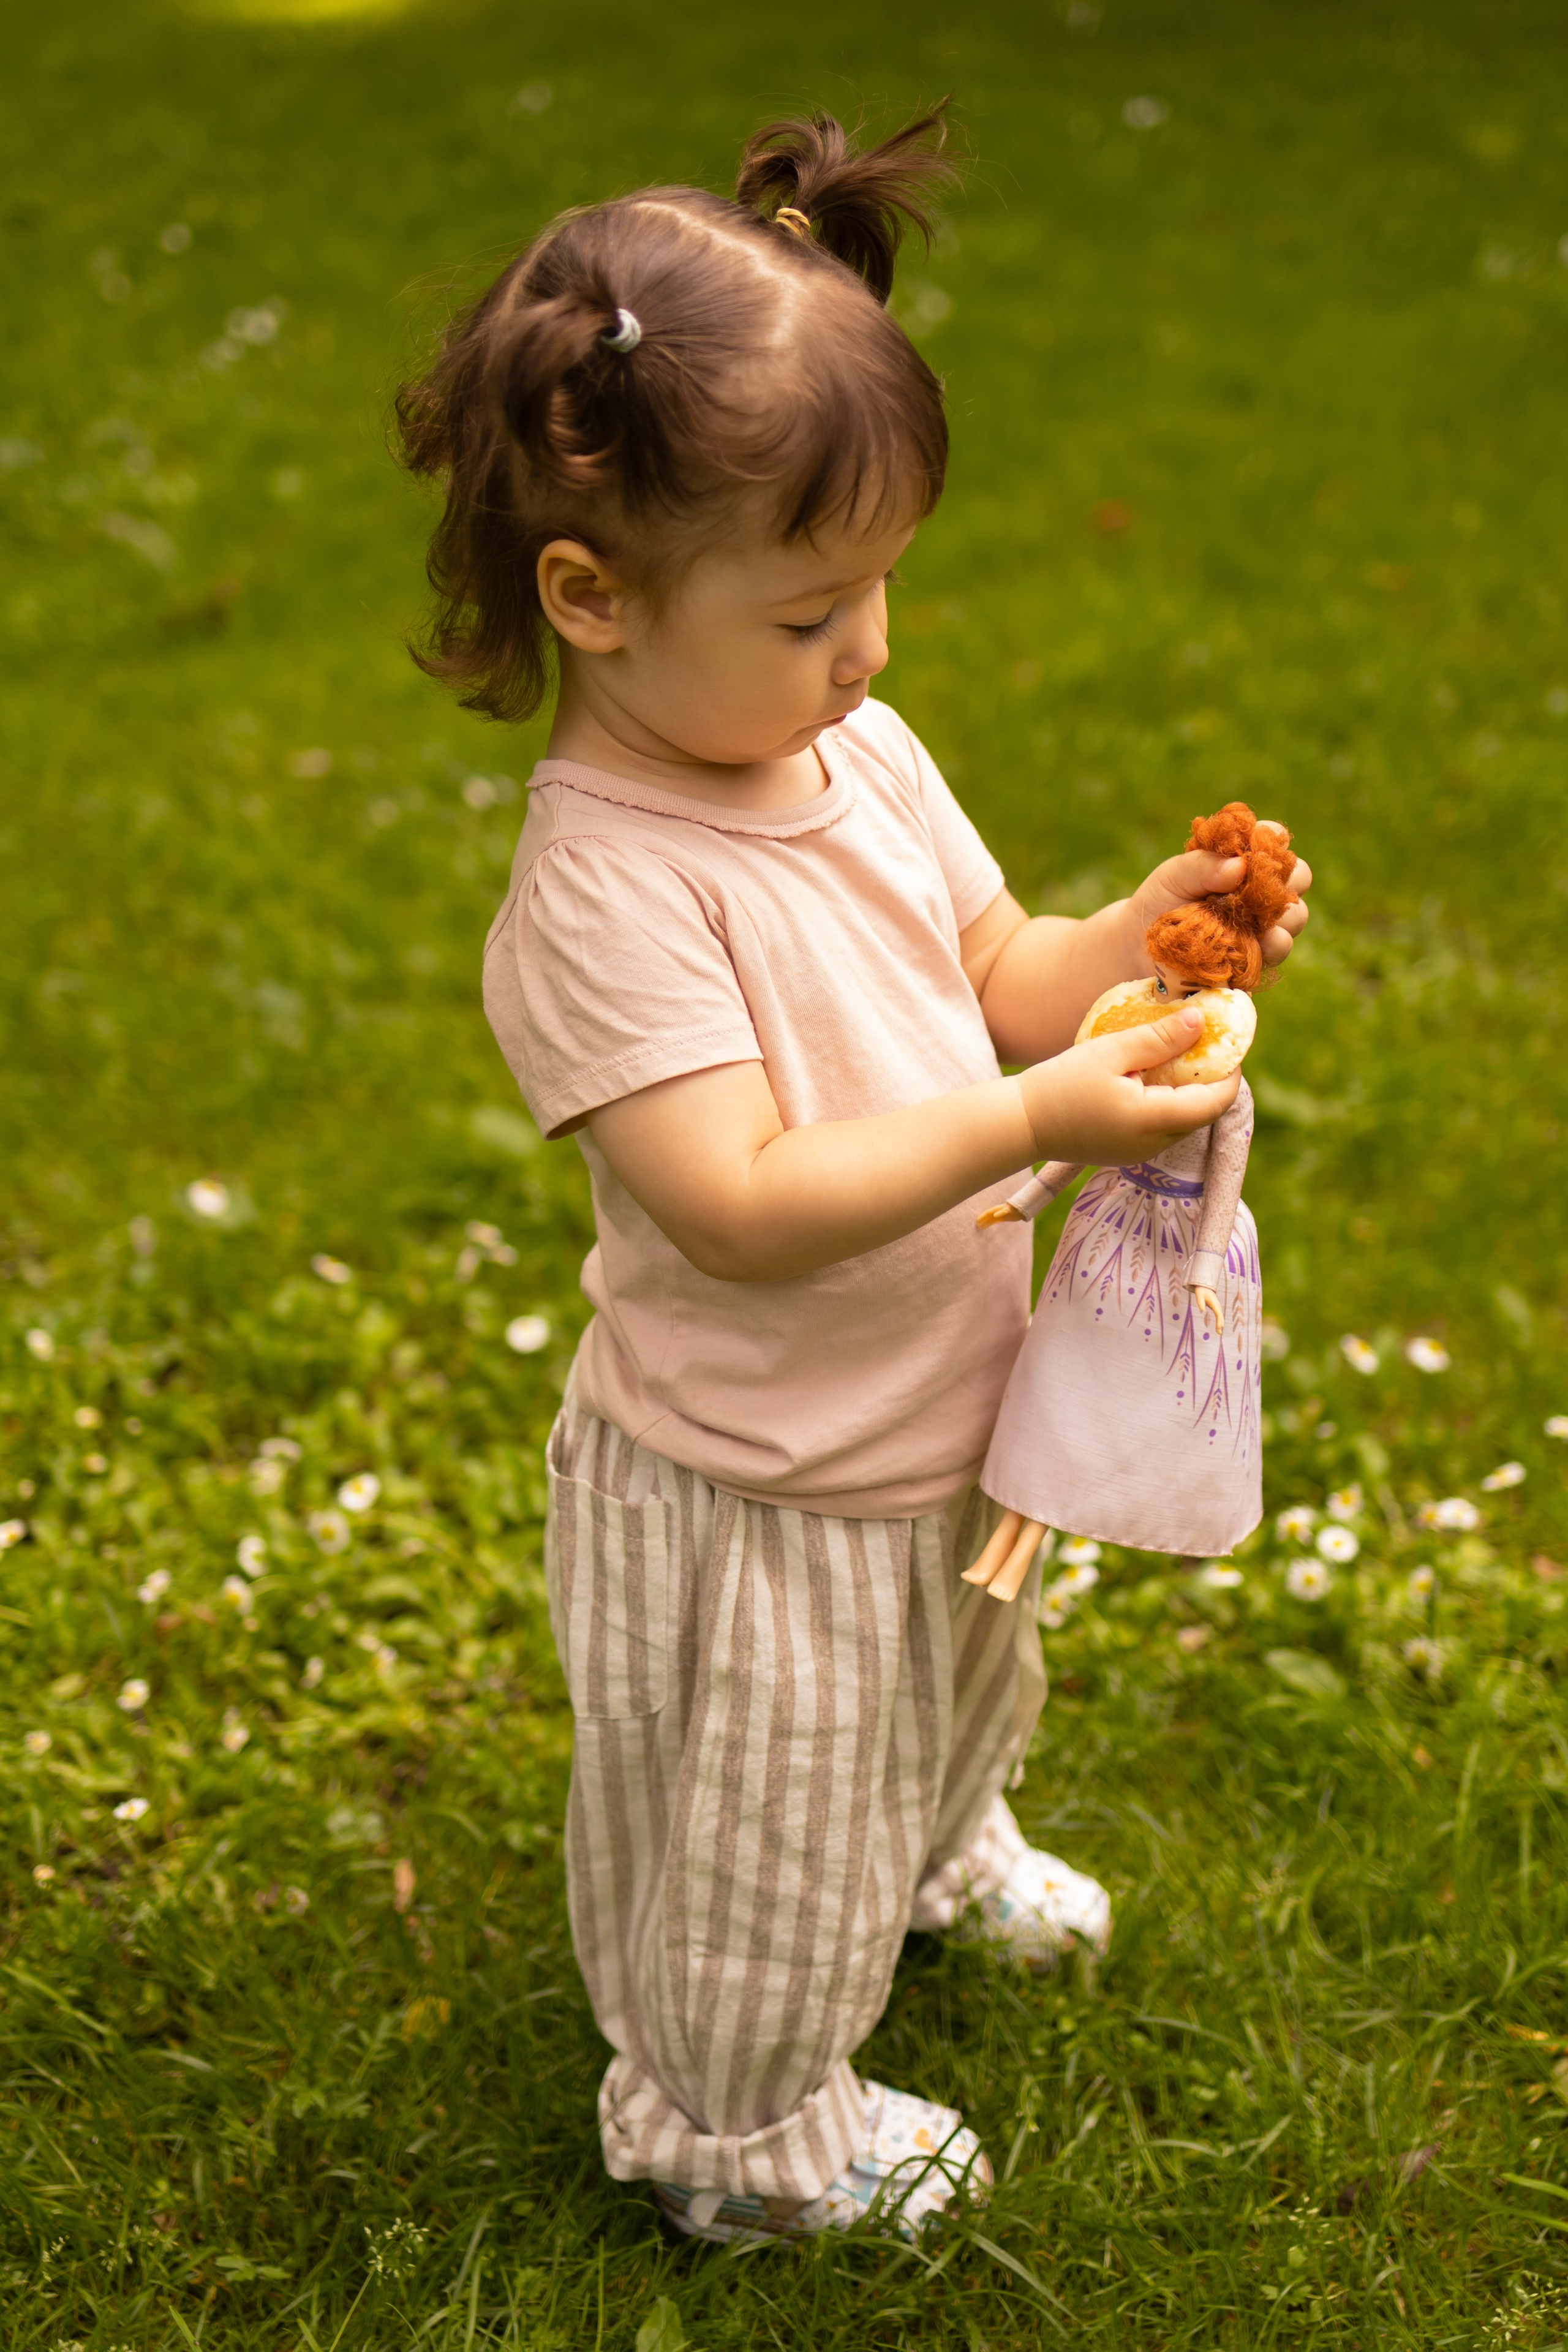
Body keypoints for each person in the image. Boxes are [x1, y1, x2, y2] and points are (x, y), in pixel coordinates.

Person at [397, 107, 1310, 2244]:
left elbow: (997, 970)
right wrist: (1035, 1128)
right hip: (758, 1487)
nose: (874, 648)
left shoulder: (845, 752)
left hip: (936, 1424)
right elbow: (740, 1196)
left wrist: (1142, 938)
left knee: (960, 1685)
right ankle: (736, 2129)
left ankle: (930, 1850)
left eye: (881, 584)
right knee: (758, 1814)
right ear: (591, 597)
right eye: (815, 606)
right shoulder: (606, 895)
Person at [964, 805, 1298, 1602]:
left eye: (1193, 991)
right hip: (1114, 1226)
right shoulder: (1141, 1056)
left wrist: (1207, 1269)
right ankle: (1009, 1543)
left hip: (1179, 1250)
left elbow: (1225, 1183)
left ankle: (1040, 1538)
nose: (1172, 1004)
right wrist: (1032, 1194)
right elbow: (1085, 1137)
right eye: (1162, 985)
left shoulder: (1229, 1098)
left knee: (1120, 1390)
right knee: (1062, 1374)